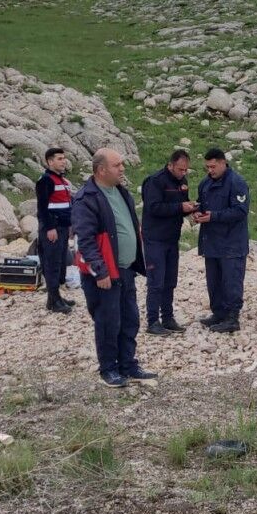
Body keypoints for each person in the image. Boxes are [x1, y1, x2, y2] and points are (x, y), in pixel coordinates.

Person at [72, 148, 158, 388]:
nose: (122, 169)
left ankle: (128, 364)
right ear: (101, 170)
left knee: (130, 319)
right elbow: (85, 240)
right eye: (117, 165)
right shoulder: (86, 198)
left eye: (122, 164)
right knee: (108, 321)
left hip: (125, 270)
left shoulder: (121, 192)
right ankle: (108, 369)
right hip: (105, 274)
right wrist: (99, 271)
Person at [192, 148, 250, 333]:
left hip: (232, 243)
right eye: (207, 167)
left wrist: (213, 217)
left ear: (223, 162)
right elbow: (202, 203)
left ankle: (232, 318)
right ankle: (218, 313)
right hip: (211, 242)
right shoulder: (205, 183)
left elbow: (240, 211)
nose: (210, 170)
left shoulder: (237, 183)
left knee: (231, 281)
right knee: (214, 280)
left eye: (213, 166)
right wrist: (197, 212)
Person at [140, 149, 197, 335]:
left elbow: (182, 205)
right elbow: (153, 207)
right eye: (180, 169)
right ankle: (152, 321)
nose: (183, 173)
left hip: (173, 238)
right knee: (156, 281)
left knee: (170, 280)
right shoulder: (155, 181)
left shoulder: (182, 182)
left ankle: (168, 317)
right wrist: (180, 207)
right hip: (155, 238)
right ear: (170, 165)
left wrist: (191, 209)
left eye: (186, 170)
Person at [34, 147, 75, 314]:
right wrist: (50, 227)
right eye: (59, 158)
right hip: (53, 228)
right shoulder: (45, 180)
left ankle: (55, 298)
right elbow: (42, 208)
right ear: (50, 162)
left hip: (63, 228)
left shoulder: (62, 181)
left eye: (64, 158)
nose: (63, 161)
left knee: (59, 262)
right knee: (51, 263)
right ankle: (54, 299)